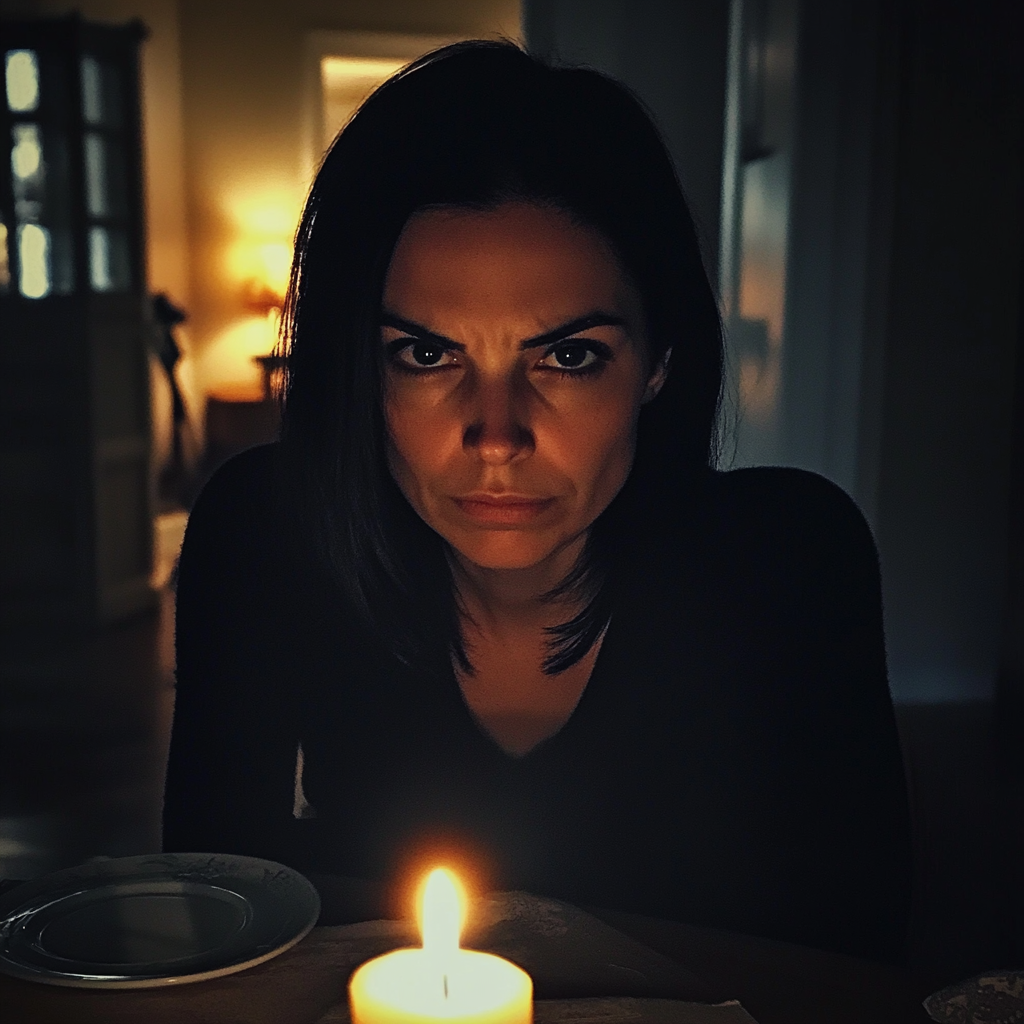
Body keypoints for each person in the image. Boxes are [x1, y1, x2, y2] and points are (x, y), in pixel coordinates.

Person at [163, 40, 911, 964]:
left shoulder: (791, 563)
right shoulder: (266, 537)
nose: (496, 435)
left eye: (567, 356)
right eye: (428, 355)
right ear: (361, 369)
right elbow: (211, 922)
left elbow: (861, 957)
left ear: (659, 365)